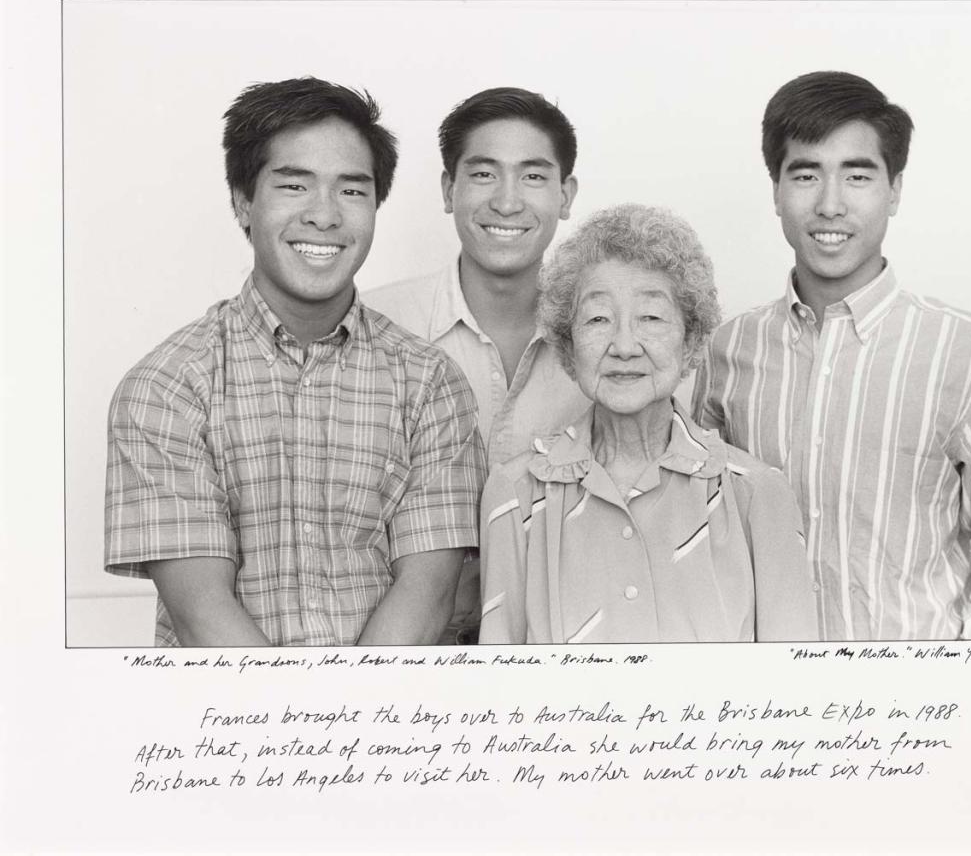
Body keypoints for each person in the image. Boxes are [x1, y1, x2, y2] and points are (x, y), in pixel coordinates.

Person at [105, 77, 487, 647]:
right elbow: (201, 613)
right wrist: (295, 731)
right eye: (294, 186)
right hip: (222, 723)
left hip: (385, 717)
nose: (325, 216)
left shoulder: (430, 383)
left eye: (352, 191)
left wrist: (347, 728)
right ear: (242, 201)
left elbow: (428, 595)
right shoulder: (166, 386)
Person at [692, 71, 971, 641]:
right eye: (805, 174)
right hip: (770, 699)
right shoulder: (728, 350)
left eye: (857, 175)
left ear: (895, 190)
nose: (830, 204)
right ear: (776, 189)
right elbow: (706, 530)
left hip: (921, 701)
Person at [479, 204, 818, 644]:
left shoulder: (756, 494)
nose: (623, 346)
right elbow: (499, 685)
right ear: (567, 342)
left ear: (692, 339)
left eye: (651, 319)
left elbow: (793, 691)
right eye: (598, 319)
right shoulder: (515, 493)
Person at [364, 87, 590, 642]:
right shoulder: (374, 327)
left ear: (566, 195)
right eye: (484, 174)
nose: (507, 202)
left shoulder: (613, 343)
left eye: (533, 177)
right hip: (399, 649)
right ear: (449, 189)